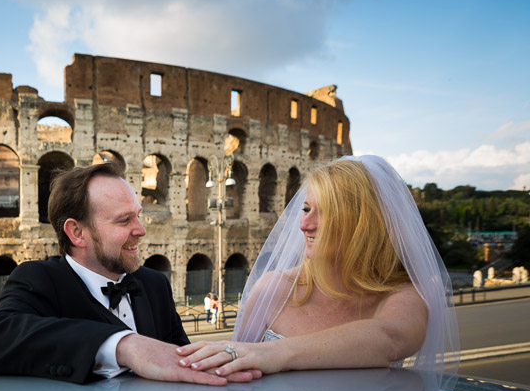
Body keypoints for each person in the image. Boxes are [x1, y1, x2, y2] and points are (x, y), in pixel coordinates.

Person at [0, 162, 260, 385]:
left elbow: (178, 361)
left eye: (138, 215)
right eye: (124, 220)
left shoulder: (154, 284)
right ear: (77, 232)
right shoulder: (39, 278)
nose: (141, 230)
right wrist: (122, 345)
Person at [177, 155, 460, 377]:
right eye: (306, 208)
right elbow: (235, 366)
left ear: (363, 224)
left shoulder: (404, 295)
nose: (304, 224)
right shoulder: (275, 288)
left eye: (324, 212)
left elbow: (390, 338)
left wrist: (274, 354)